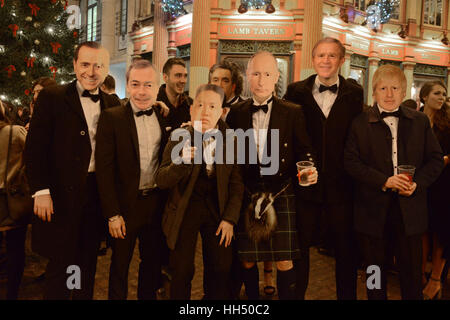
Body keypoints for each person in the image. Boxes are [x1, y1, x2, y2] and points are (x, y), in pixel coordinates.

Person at [24, 41, 121, 299]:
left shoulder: (112, 103)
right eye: (85, 64)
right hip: (59, 196)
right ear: (75, 65)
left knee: (86, 263)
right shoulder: (53, 97)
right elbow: (34, 150)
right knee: (60, 265)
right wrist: (41, 191)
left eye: (98, 65)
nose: (91, 71)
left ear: (106, 68)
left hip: (94, 196)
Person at [344, 65, 444, 300]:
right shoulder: (359, 123)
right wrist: (384, 181)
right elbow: (350, 162)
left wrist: (417, 183)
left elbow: (436, 160)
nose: (389, 94)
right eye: (383, 88)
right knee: (374, 272)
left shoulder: (420, 122)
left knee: (411, 274)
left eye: (395, 88)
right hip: (372, 213)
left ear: (403, 93)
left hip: (410, 213)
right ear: (374, 92)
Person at [227, 51, 317, 300]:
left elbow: (304, 149)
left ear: (277, 77)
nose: (261, 80)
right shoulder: (237, 112)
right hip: (248, 188)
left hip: (280, 189)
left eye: (267, 74)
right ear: (247, 76)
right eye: (255, 73)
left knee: (284, 259)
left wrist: (308, 169)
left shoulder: (292, 111)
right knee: (247, 259)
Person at [284, 37, 363, 300]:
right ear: (313, 59)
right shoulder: (295, 91)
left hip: (343, 188)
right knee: (300, 249)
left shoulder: (355, 93)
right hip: (305, 186)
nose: (326, 61)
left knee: (346, 252)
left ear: (342, 60)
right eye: (321, 55)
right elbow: (286, 136)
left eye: (332, 56)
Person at [155, 84, 244, 299]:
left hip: (217, 207)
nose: (205, 112)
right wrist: (181, 163)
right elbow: (161, 180)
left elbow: (236, 184)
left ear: (222, 112)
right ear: (191, 109)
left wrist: (230, 219)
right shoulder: (179, 136)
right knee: (182, 269)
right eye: (200, 105)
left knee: (220, 267)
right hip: (185, 208)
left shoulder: (232, 139)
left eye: (212, 106)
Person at [419, 81, 450, 300]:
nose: (441, 97)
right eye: (437, 93)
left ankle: (436, 279)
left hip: (443, 184)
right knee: (422, 231)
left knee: (441, 231)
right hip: (420, 184)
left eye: (444, 94)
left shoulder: (448, 123)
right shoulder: (414, 119)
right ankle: (419, 274)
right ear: (424, 96)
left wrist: (440, 162)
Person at [0, 100, 28, 299]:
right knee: (15, 249)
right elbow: (34, 155)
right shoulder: (15, 132)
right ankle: (12, 293)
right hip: (13, 198)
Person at [157, 58, 193, 130]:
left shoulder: (192, 104)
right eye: (178, 75)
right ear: (165, 77)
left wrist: (195, 130)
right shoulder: (153, 103)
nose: (183, 81)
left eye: (185, 76)